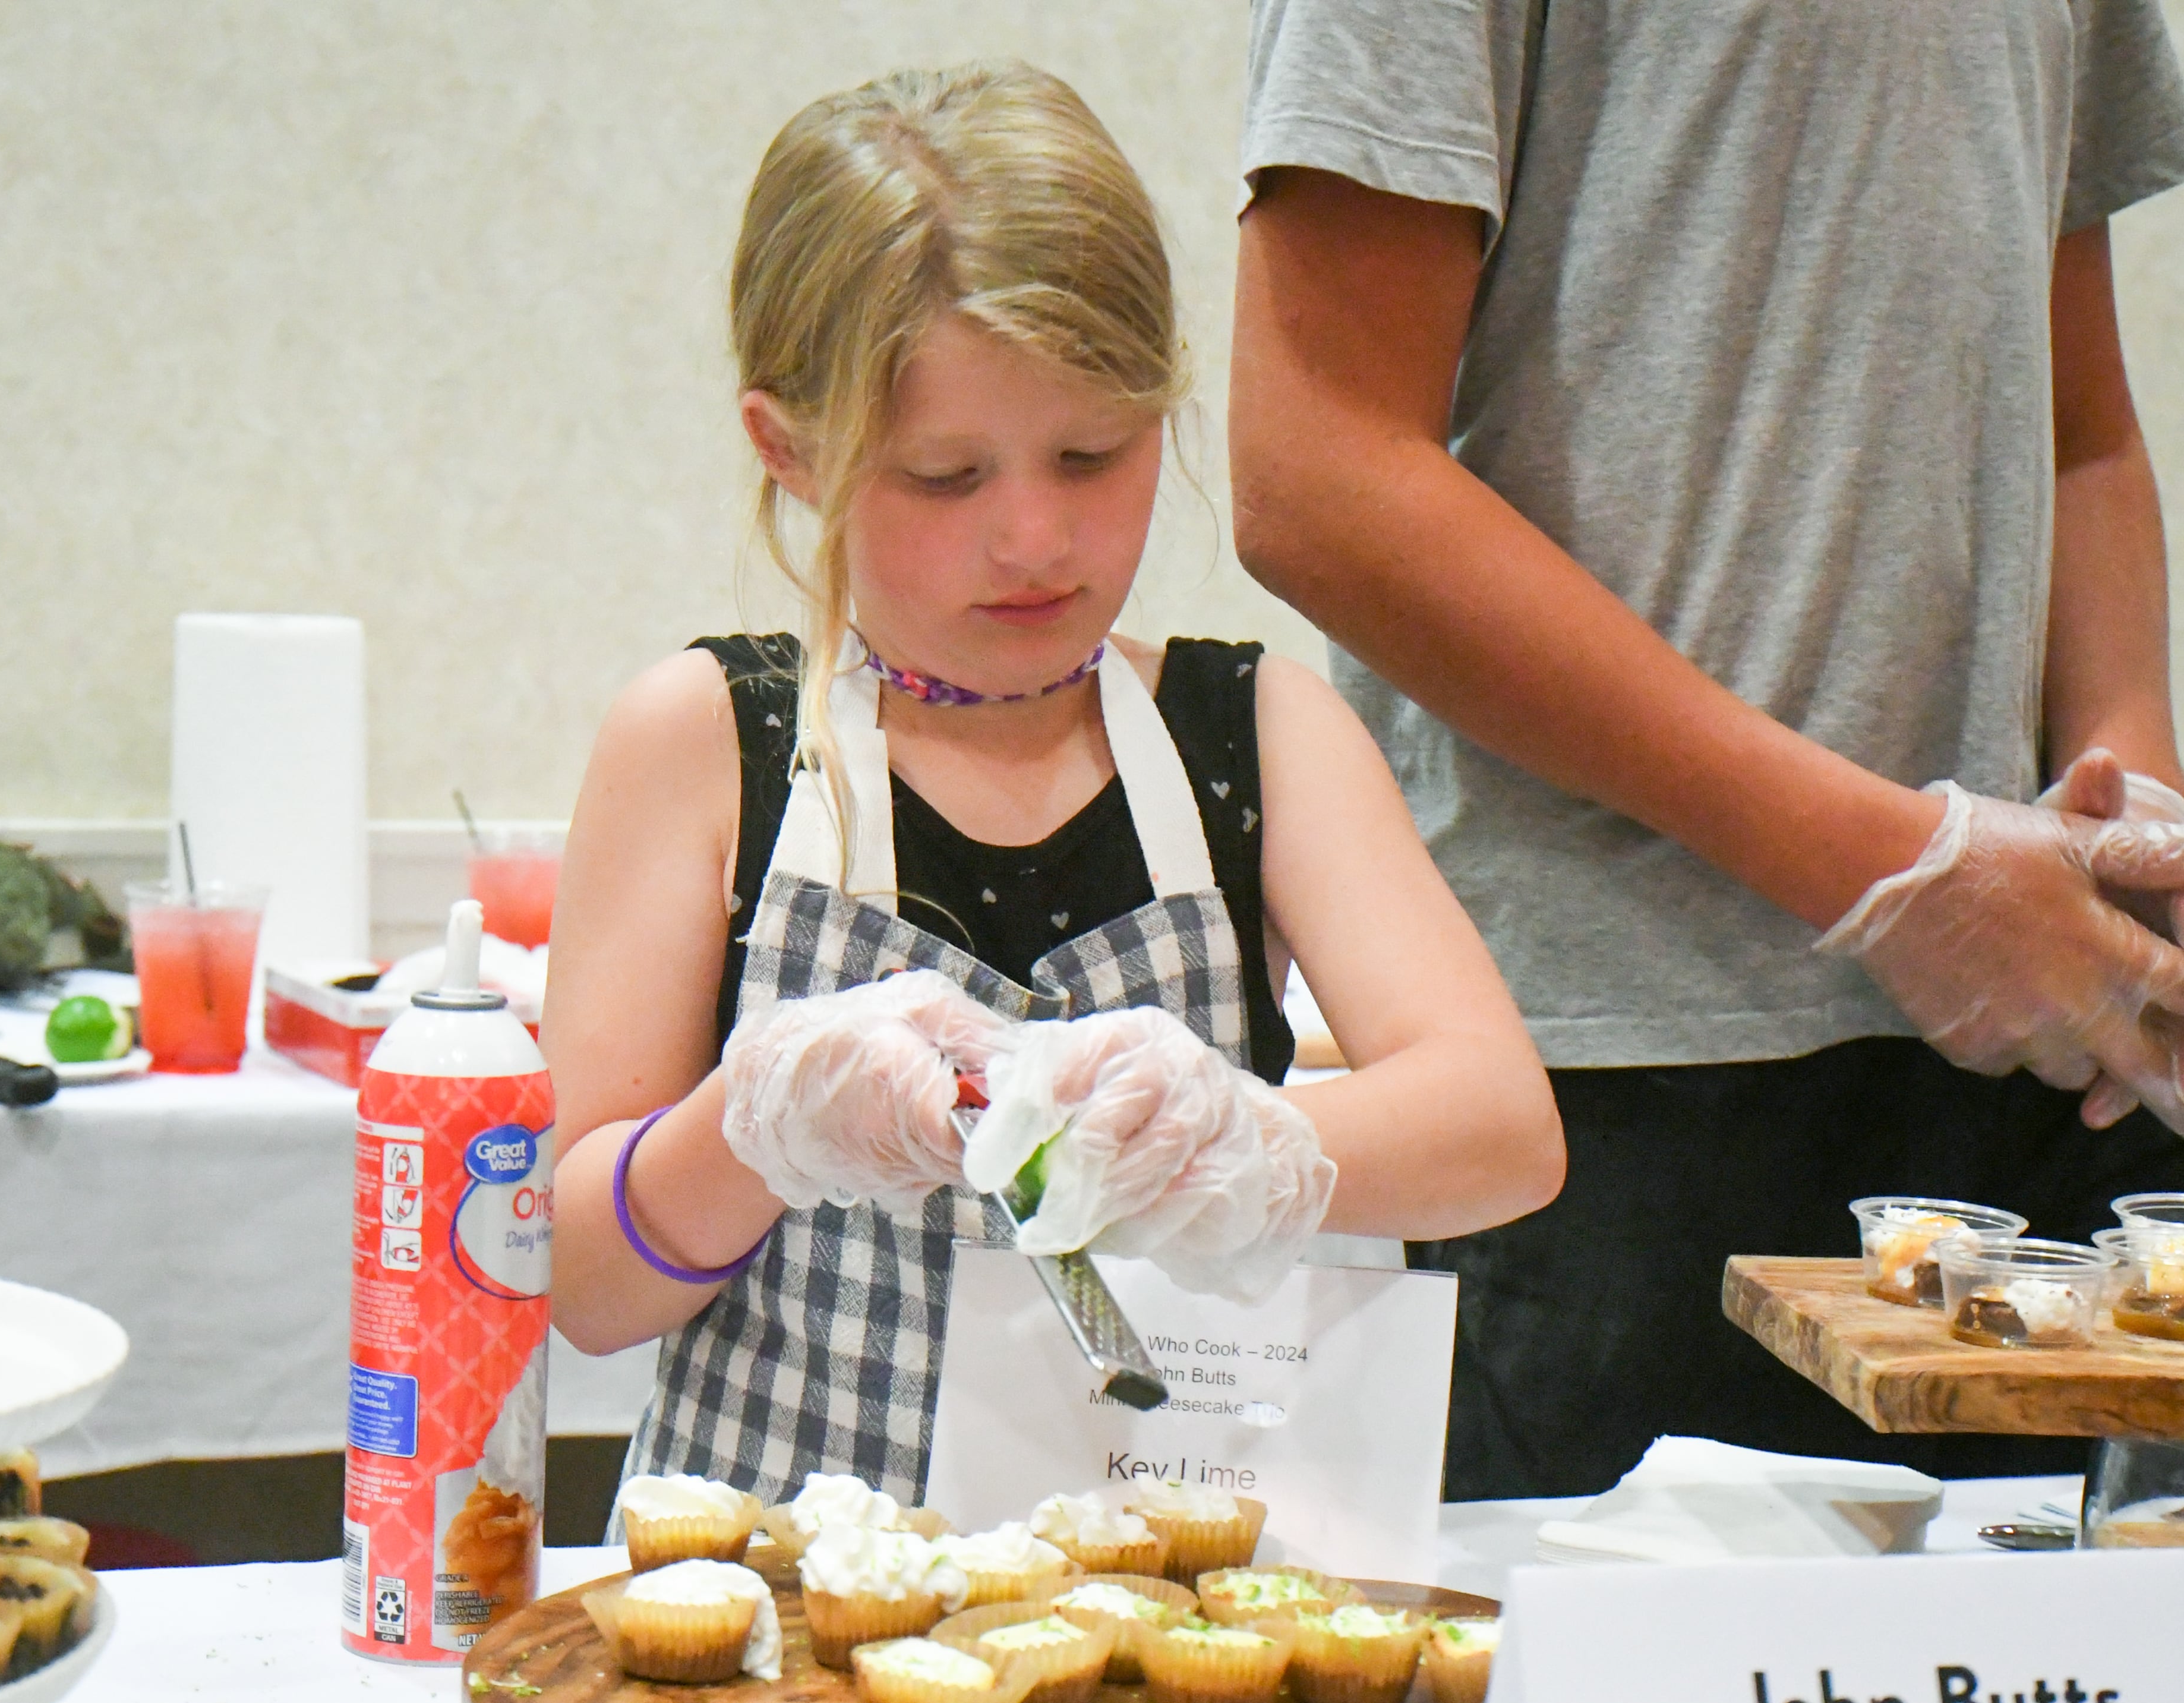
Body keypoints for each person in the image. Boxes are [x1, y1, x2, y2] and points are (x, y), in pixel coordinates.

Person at [539, 60, 1564, 1508]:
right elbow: (580, 1285)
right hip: (769, 1618)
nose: (1033, 539)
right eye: (944, 477)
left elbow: (1505, 1137)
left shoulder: (1254, 732)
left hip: (1169, 1622)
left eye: (1092, 454)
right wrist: (754, 1128)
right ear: (790, 448)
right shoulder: (706, 742)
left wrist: (1250, 1144)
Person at [1232, 0, 2184, 1500]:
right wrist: (1901, 877)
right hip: (1611, 1081)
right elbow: (1317, 473)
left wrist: (2125, 822)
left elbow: (2076, 429)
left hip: (2026, 1064)